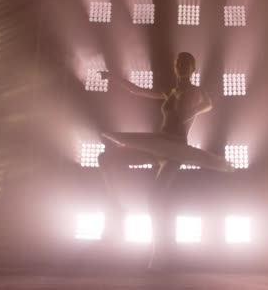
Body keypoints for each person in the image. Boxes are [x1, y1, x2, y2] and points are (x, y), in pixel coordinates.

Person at [97, 52, 233, 269]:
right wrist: (113, 78)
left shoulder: (196, 91)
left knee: (154, 201)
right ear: (175, 67)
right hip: (157, 143)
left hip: (175, 150)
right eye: (179, 63)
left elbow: (209, 103)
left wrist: (197, 109)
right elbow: (137, 90)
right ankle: (118, 207)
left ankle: (158, 253)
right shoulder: (170, 91)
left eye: (186, 64)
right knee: (105, 158)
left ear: (193, 68)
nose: (182, 66)